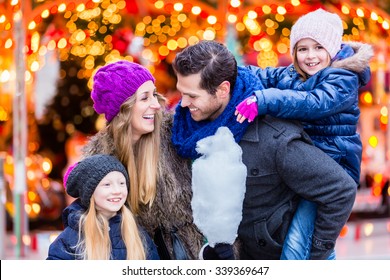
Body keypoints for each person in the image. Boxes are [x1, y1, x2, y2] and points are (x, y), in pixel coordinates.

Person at [171, 39, 357, 260]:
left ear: (222, 90)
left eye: (192, 95)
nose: (182, 103)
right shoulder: (181, 129)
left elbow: (341, 189)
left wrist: (316, 254)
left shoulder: (275, 138)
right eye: (182, 92)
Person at [235, 8, 373, 259]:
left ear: (332, 48)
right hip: (302, 165)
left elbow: (314, 102)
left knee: (300, 242)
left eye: (318, 47)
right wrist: (228, 68)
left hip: (332, 167)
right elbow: (264, 75)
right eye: (302, 48)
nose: (310, 56)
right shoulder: (293, 74)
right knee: (296, 236)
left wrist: (264, 100)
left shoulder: (342, 77)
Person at [82, 60, 203, 260]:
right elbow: (89, 219)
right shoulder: (100, 158)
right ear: (124, 109)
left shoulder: (177, 132)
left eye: (154, 95)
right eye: (145, 98)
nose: (156, 105)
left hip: (191, 253)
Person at [47, 154, 160, 260]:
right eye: (107, 184)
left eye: (121, 183)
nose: (117, 191)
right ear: (90, 192)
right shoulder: (70, 240)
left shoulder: (138, 234)